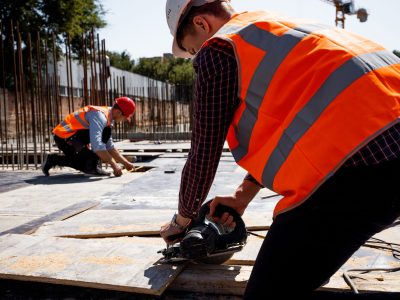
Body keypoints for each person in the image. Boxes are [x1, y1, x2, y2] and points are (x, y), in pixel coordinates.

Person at [160, 0, 400, 298]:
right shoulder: (275, 30)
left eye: (193, 50)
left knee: (269, 291)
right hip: (384, 151)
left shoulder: (219, 49)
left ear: (201, 25)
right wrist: (242, 194)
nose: (197, 57)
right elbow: (297, 124)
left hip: (365, 169)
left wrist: (182, 220)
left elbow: (203, 154)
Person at [42, 97, 136, 177]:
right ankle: (53, 159)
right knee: (86, 162)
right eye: (125, 117)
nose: (124, 120)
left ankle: (90, 167)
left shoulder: (108, 118)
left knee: (90, 160)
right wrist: (114, 165)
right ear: (119, 112)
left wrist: (126, 163)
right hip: (64, 137)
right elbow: (97, 146)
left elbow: (109, 146)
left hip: (74, 137)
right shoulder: (100, 116)